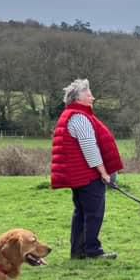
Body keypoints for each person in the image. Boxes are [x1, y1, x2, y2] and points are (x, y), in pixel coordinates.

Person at [51, 79, 124, 260]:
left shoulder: (70, 115)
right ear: (78, 97)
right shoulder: (79, 118)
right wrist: (104, 173)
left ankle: (78, 251)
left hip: (78, 176)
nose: (93, 97)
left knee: (81, 213)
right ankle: (92, 250)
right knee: (93, 213)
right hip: (86, 176)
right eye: (88, 94)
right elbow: (90, 148)